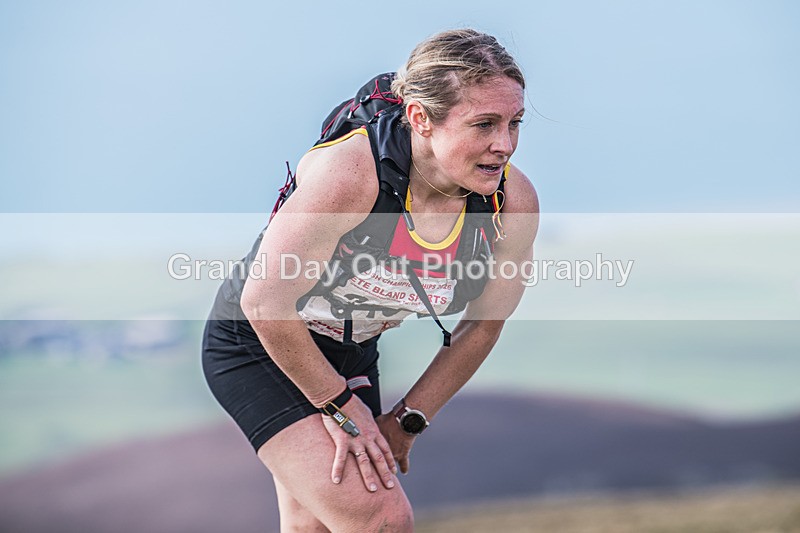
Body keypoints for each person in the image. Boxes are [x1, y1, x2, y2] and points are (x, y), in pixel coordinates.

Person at [202, 28, 539, 532]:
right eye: (484, 124)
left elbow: (484, 325)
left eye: (515, 123)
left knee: (314, 526)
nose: (504, 145)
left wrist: (410, 418)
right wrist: (340, 406)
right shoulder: (352, 176)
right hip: (260, 341)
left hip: (352, 352)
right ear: (421, 119)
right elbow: (265, 301)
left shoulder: (510, 204)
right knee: (381, 519)